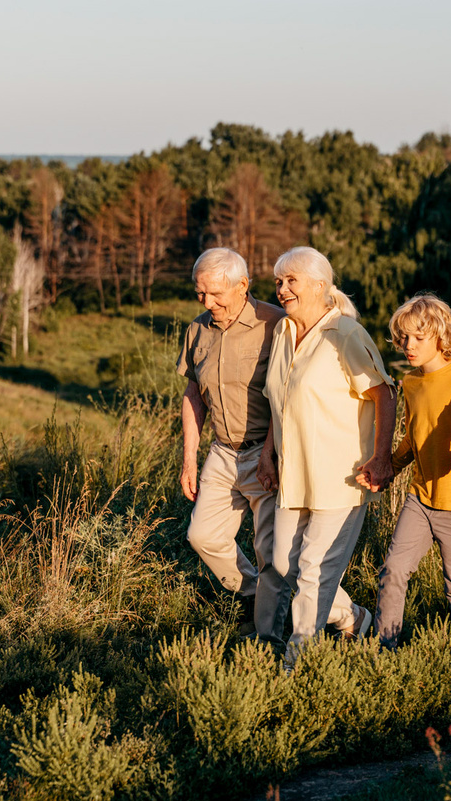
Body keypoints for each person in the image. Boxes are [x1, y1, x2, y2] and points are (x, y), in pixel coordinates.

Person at [261, 246, 396, 667]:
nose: (282, 289)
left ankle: (296, 664)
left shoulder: (346, 334)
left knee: (314, 572)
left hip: (341, 477)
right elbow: (279, 402)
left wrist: (382, 457)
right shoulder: (283, 333)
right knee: (284, 564)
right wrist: (268, 455)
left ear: (320, 285)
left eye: (291, 280)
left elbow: (384, 393)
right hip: (292, 476)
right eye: (279, 281)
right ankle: (355, 618)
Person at [370, 293, 451, 649]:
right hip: (420, 499)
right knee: (393, 571)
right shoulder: (409, 384)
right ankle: (384, 649)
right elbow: (411, 442)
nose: (407, 346)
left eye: (418, 338)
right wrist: (386, 470)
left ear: (441, 338)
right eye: (404, 338)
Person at [176, 248, 287, 645]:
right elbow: (193, 395)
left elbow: (284, 395)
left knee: (271, 550)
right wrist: (189, 459)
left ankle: (269, 638)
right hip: (222, 452)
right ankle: (253, 594)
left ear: (242, 286)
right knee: (202, 536)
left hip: (266, 451)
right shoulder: (197, 329)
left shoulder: (276, 324)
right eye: (200, 293)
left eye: (216, 294)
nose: (207, 303)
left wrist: (272, 454)